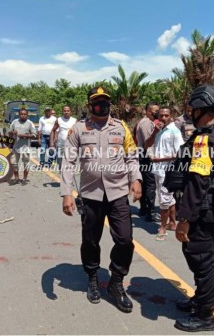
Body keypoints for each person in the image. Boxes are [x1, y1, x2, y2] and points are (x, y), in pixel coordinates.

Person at [60, 86, 142, 313]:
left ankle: (116, 282)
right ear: (89, 106)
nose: (101, 106)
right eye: (96, 102)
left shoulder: (121, 127)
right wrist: (66, 192)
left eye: (105, 102)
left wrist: (136, 179)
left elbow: (132, 155)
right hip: (91, 195)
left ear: (110, 105)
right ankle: (93, 277)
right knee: (90, 240)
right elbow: (68, 162)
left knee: (125, 239)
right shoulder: (78, 129)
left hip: (117, 193)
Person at [174, 84, 214, 332]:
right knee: (203, 258)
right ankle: (201, 299)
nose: (191, 112)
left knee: (201, 260)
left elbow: (198, 183)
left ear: (201, 107)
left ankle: (206, 315)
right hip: (211, 208)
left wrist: (185, 218)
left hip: (201, 210)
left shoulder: (205, 140)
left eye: (193, 107)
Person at [150, 106, 184, 240]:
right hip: (158, 170)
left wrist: (159, 159)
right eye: (161, 115)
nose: (163, 118)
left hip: (167, 171)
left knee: (164, 200)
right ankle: (172, 223)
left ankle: (162, 228)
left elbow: (179, 154)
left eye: (166, 115)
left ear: (171, 116)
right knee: (169, 198)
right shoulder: (160, 130)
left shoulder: (174, 131)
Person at [136, 102, 160, 222]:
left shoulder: (149, 122)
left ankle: (144, 209)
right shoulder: (145, 123)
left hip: (145, 156)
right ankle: (150, 211)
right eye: (154, 111)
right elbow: (147, 143)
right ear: (148, 111)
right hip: (146, 156)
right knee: (150, 184)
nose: (156, 113)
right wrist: (152, 157)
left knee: (145, 183)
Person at [8, 108, 37, 185]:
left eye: (25, 114)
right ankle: (16, 178)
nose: (23, 115)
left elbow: (34, 135)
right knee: (14, 163)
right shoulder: (14, 122)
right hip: (16, 147)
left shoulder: (30, 123)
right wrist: (12, 132)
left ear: (27, 115)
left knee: (26, 164)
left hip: (25, 148)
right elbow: (9, 133)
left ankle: (24, 179)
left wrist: (25, 136)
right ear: (19, 114)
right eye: (22, 114)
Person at [50, 105, 77, 171]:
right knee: (60, 161)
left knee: (71, 161)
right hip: (61, 144)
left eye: (68, 111)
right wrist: (51, 144)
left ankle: (69, 177)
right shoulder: (58, 120)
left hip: (71, 144)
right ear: (63, 111)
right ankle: (62, 175)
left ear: (70, 112)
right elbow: (53, 131)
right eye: (65, 111)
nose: (66, 112)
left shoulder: (74, 120)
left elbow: (78, 132)